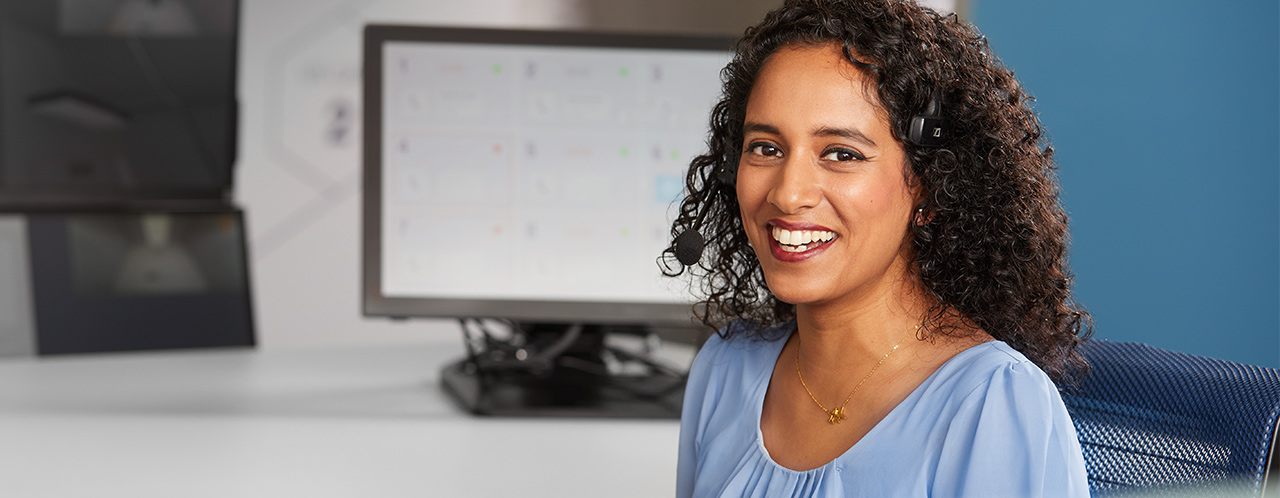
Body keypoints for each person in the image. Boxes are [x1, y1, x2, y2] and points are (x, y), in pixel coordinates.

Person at [662, 0, 1093, 496]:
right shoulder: (724, 368)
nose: (787, 193)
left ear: (929, 185)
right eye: (766, 147)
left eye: (841, 154)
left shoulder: (994, 404)